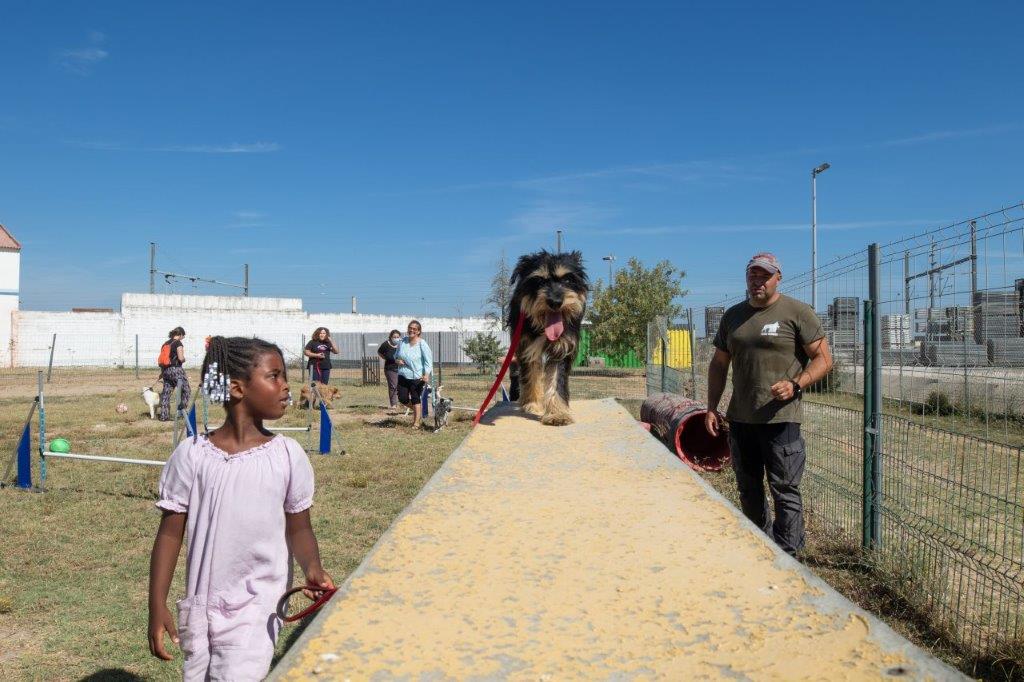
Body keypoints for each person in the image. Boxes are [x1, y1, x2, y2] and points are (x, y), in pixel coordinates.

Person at [147, 336, 334, 680]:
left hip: (257, 605)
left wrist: (312, 566)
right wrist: (156, 603)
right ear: (236, 388)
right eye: (274, 376)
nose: (285, 387)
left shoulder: (287, 455)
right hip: (201, 606)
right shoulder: (192, 455)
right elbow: (170, 535)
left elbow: (299, 526)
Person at [704, 252, 833, 558]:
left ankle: (789, 557)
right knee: (749, 491)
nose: (757, 281)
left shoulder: (797, 312)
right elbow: (719, 364)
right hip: (741, 420)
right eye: (753, 275)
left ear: (778, 277)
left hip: (781, 421)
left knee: (785, 490)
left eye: (765, 275)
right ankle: (759, 551)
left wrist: (797, 384)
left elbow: (824, 358)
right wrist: (711, 406)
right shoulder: (733, 317)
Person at [394, 320, 433, 428]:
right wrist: (397, 360)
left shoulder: (422, 344)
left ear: (419, 331)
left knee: (416, 398)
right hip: (402, 374)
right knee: (402, 398)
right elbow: (396, 355)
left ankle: (416, 422)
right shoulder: (402, 342)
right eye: (410, 328)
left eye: (414, 329)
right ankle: (418, 411)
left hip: (417, 376)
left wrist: (426, 374)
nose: (411, 330)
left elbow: (428, 361)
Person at [158, 327, 191, 422]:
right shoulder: (178, 343)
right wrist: (184, 359)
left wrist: (162, 373)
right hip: (176, 370)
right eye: (183, 336)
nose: (182, 338)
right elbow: (180, 358)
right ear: (180, 334)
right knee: (186, 390)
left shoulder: (165, 344)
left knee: (166, 393)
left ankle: (164, 416)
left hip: (166, 371)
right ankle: (181, 412)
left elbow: (163, 360)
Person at [377, 329, 402, 411]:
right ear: (390, 337)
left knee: (402, 386)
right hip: (390, 368)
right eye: (394, 337)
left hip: (401, 368)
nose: (396, 338)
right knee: (393, 386)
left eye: (398, 337)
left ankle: (403, 402)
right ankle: (393, 404)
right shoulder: (386, 344)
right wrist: (388, 359)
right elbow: (380, 352)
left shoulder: (402, 344)